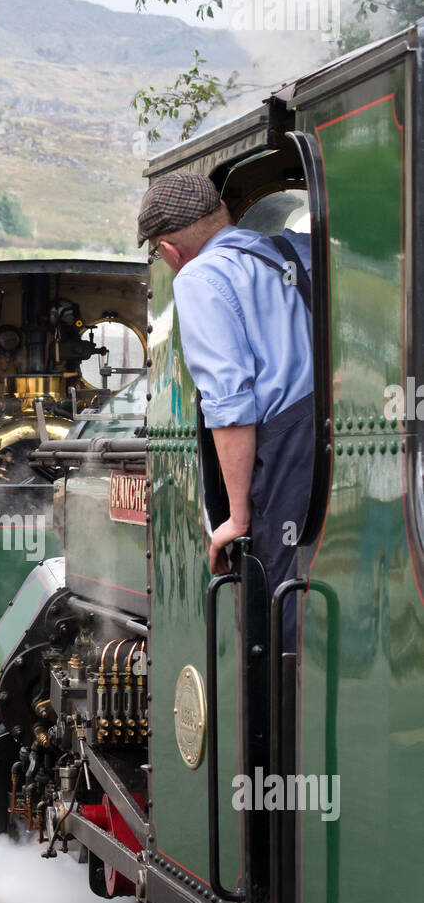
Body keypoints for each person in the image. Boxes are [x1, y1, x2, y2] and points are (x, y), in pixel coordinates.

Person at [137, 171, 313, 648]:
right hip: (325, 433)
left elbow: (231, 407)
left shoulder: (199, 277)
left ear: (170, 251)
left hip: (285, 455)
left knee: (283, 609)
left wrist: (235, 518)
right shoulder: (292, 250)